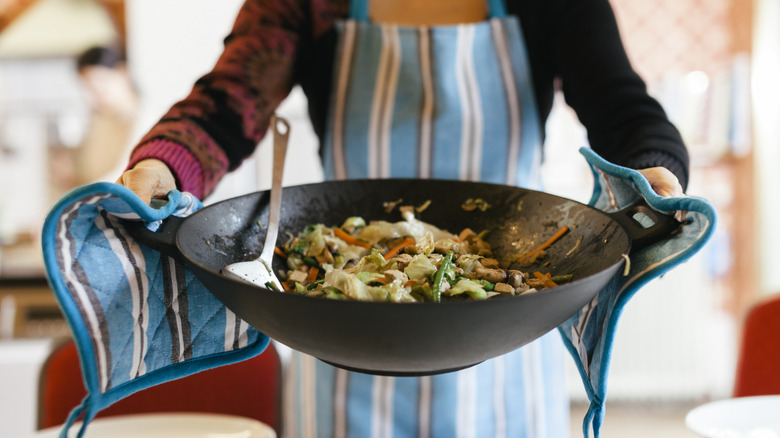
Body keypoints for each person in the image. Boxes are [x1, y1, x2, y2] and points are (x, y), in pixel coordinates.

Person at [116, 0, 687, 436]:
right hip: (338, 340)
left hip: (503, 336)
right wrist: (160, 168)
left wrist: (654, 177)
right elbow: (226, 104)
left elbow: (625, 111)